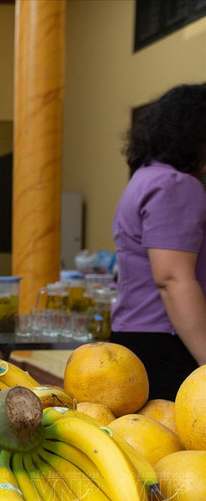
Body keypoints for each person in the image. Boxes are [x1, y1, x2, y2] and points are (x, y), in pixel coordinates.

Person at [110, 83, 206, 401]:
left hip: (136, 336)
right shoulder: (176, 185)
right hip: (166, 342)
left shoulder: (144, 178)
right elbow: (172, 279)